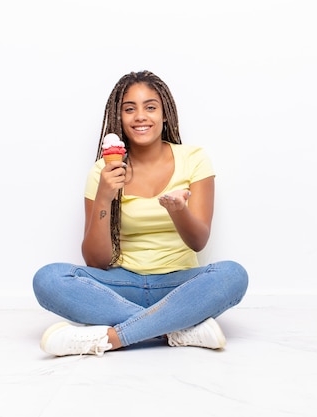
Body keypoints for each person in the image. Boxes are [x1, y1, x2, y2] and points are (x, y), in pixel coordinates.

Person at [33, 70, 249, 357]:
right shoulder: (102, 172)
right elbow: (95, 261)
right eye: (129, 109)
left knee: (233, 275)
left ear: (165, 115)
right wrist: (103, 197)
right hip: (122, 285)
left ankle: (113, 338)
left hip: (179, 284)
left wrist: (179, 210)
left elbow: (199, 241)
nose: (140, 116)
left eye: (150, 107)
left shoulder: (194, 159)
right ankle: (177, 327)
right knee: (48, 279)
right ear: (118, 117)